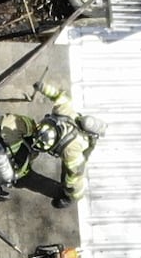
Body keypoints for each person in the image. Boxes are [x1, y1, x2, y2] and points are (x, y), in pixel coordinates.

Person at [31, 80, 105, 209]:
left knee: (70, 182)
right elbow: (60, 96)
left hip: (83, 146)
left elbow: (75, 173)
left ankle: (71, 198)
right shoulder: (61, 111)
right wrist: (43, 87)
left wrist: (69, 187)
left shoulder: (70, 152)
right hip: (76, 136)